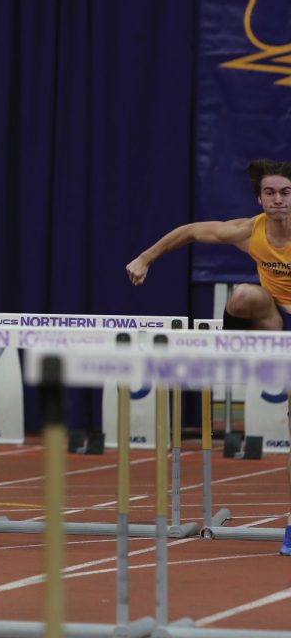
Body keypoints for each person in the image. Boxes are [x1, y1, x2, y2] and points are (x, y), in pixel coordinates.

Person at [126, 157, 291, 557]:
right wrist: (145, 258)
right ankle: (234, 355)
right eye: (270, 192)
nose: (278, 200)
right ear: (259, 198)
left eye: (285, 192)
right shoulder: (248, 231)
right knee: (244, 294)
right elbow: (189, 232)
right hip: (274, 323)